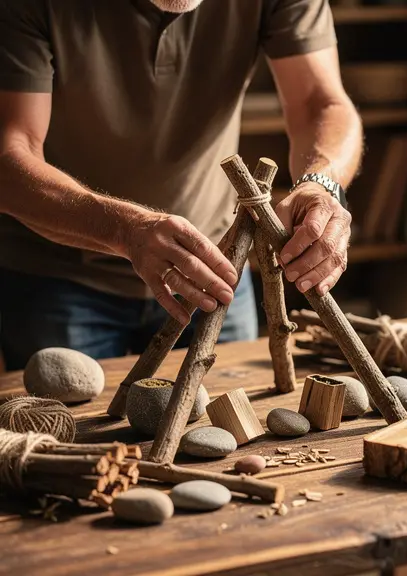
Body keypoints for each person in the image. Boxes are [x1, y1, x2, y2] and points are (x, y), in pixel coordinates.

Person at [0, 0, 361, 369]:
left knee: (226, 421)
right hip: (58, 278)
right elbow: (10, 157)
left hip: (217, 265)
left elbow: (322, 104)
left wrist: (322, 184)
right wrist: (124, 229)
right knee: (61, 423)